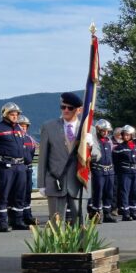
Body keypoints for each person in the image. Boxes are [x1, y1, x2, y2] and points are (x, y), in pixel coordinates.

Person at [38, 92, 94, 224]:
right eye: (63, 107)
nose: (66, 110)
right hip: (56, 181)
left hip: (79, 182)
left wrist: (90, 145)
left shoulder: (88, 128)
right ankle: (58, 246)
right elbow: (43, 157)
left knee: (81, 223)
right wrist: (42, 184)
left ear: (79, 110)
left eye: (70, 108)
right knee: (57, 223)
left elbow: (98, 156)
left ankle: (82, 245)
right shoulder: (49, 127)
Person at [0, 101, 29, 232]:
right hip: (5, 167)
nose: (15, 116)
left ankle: (17, 221)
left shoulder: (19, 129)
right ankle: (2, 223)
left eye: (17, 114)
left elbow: (23, 147)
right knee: (3, 195)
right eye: (12, 114)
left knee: (19, 195)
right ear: (5, 114)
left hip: (20, 166)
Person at [88, 119, 117, 222]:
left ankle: (107, 213)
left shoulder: (108, 141)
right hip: (98, 170)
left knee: (109, 193)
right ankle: (96, 214)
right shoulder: (94, 141)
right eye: (103, 131)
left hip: (109, 170)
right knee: (98, 193)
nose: (105, 133)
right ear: (98, 130)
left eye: (107, 131)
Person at [113, 124, 136, 221]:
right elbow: (115, 161)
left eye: (128, 135)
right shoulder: (119, 147)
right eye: (124, 134)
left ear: (132, 135)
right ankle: (125, 213)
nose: (126, 136)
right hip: (125, 172)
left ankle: (133, 211)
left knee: (135, 192)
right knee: (125, 192)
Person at [18, 114, 38, 226]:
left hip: (28, 169)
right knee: (19, 193)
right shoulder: (16, 139)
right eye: (21, 126)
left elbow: (32, 152)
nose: (23, 128)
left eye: (25, 126)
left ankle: (27, 215)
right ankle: (19, 216)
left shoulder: (30, 139)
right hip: (19, 167)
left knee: (27, 192)